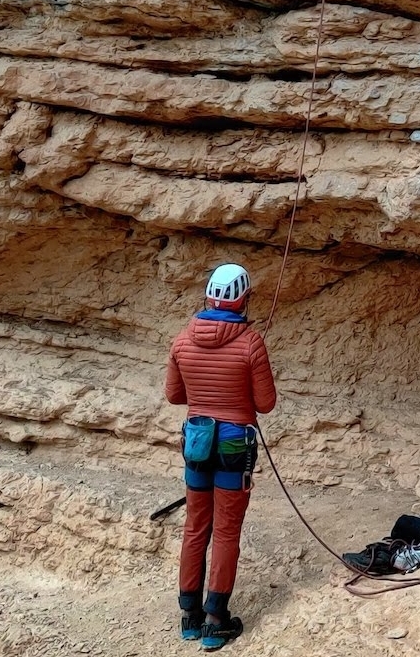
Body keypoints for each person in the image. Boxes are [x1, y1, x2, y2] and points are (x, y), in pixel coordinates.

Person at [166, 263, 277, 650]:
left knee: (196, 527)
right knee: (227, 531)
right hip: (233, 446)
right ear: (243, 298)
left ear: (207, 295)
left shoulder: (181, 341)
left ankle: (189, 617)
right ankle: (216, 620)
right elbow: (266, 404)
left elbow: (175, 396)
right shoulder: (251, 343)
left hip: (197, 444)